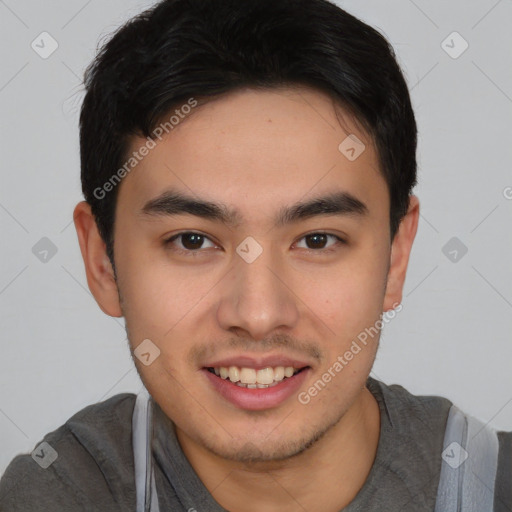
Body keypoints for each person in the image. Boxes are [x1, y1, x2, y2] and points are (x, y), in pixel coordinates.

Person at [1, 0, 510, 510]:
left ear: (396, 256)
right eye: (192, 240)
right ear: (102, 260)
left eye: (317, 240)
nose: (259, 315)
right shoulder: (53, 496)